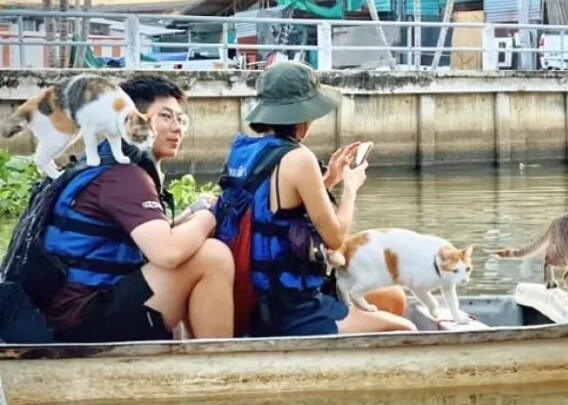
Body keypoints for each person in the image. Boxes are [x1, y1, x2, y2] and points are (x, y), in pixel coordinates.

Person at [223, 60, 414, 336]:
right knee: (406, 331)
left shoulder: (243, 150)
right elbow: (335, 238)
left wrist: (328, 181)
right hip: (294, 309)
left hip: (259, 299)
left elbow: (273, 208)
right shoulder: (299, 157)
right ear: (302, 116)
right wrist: (350, 187)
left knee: (394, 297)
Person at [39, 74, 234, 342]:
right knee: (213, 255)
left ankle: (190, 357)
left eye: (180, 118)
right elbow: (166, 253)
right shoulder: (125, 176)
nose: (177, 128)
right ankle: (218, 370)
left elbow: (145, 241)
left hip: (64, 311)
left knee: (193, 246)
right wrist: (209, 216)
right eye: (165, 116)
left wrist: (190, 214)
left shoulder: (103, 160)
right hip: (81, 319)